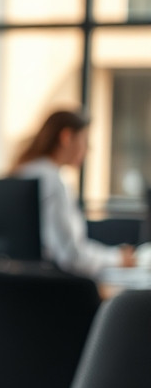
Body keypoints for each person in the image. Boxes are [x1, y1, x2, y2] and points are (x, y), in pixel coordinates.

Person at [10, 109, 135, 276]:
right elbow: (72, 257)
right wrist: (117, 258)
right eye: (85, 141)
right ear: (66, 137)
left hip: (23, 283)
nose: (88, 150)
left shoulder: (24, 171)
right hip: (53, 287)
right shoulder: (52, 181)